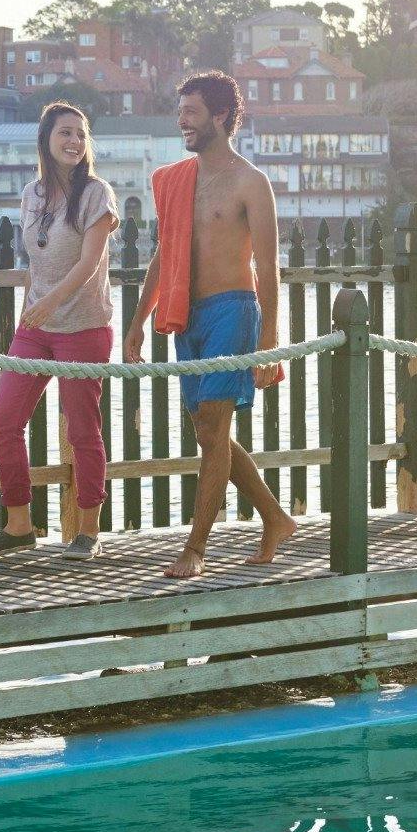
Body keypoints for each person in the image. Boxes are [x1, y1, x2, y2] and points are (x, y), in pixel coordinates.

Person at [123, 71, 297, 578]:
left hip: (233, 311)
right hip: (188, 316)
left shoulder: (250, 181)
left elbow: (268, 266)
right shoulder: (179, 180)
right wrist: (139, 322)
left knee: (216, 426)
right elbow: (165, 254)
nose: (183, 122)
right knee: (207, 431)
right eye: (180, 112)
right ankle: (275, 518)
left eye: (192, 112)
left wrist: (270, 336)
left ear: (220, 116)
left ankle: (195, 548)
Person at [0, 102, 119, 560]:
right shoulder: (31, 194)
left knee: (82, 429)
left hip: (83, 326)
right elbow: (35, 263)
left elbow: (90, 260)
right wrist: (31, 309)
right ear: (46, 139)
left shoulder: (97, 193)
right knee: (4, 421)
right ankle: (19, 524)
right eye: (65, 133)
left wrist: (52, 301)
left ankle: (88, 531)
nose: (75, 141)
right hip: (35, 328)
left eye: (81, 133)